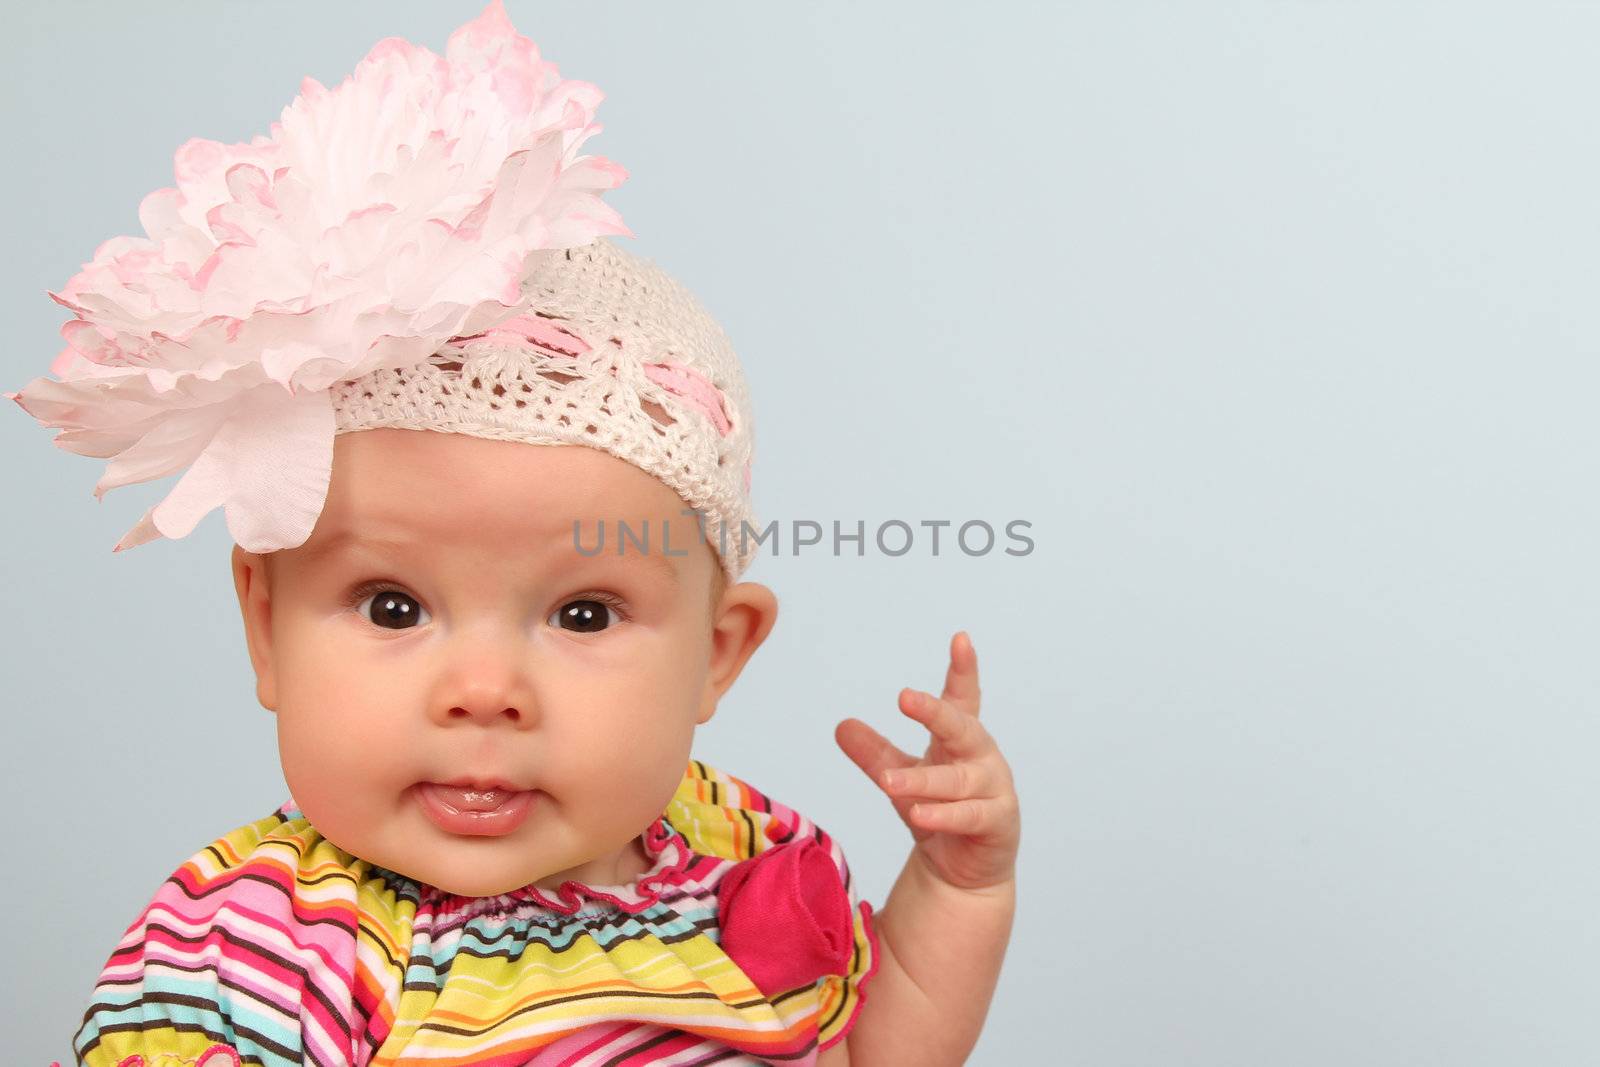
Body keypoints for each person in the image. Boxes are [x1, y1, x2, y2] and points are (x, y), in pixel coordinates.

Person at [10, 3, 1021, 1064]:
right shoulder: (261, 951)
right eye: (393, 604)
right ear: (266, 626)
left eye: (582, 612)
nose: (483, 687)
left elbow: (867, 1053)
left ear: (715, 652)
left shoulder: (736, 846)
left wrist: (959, 888)